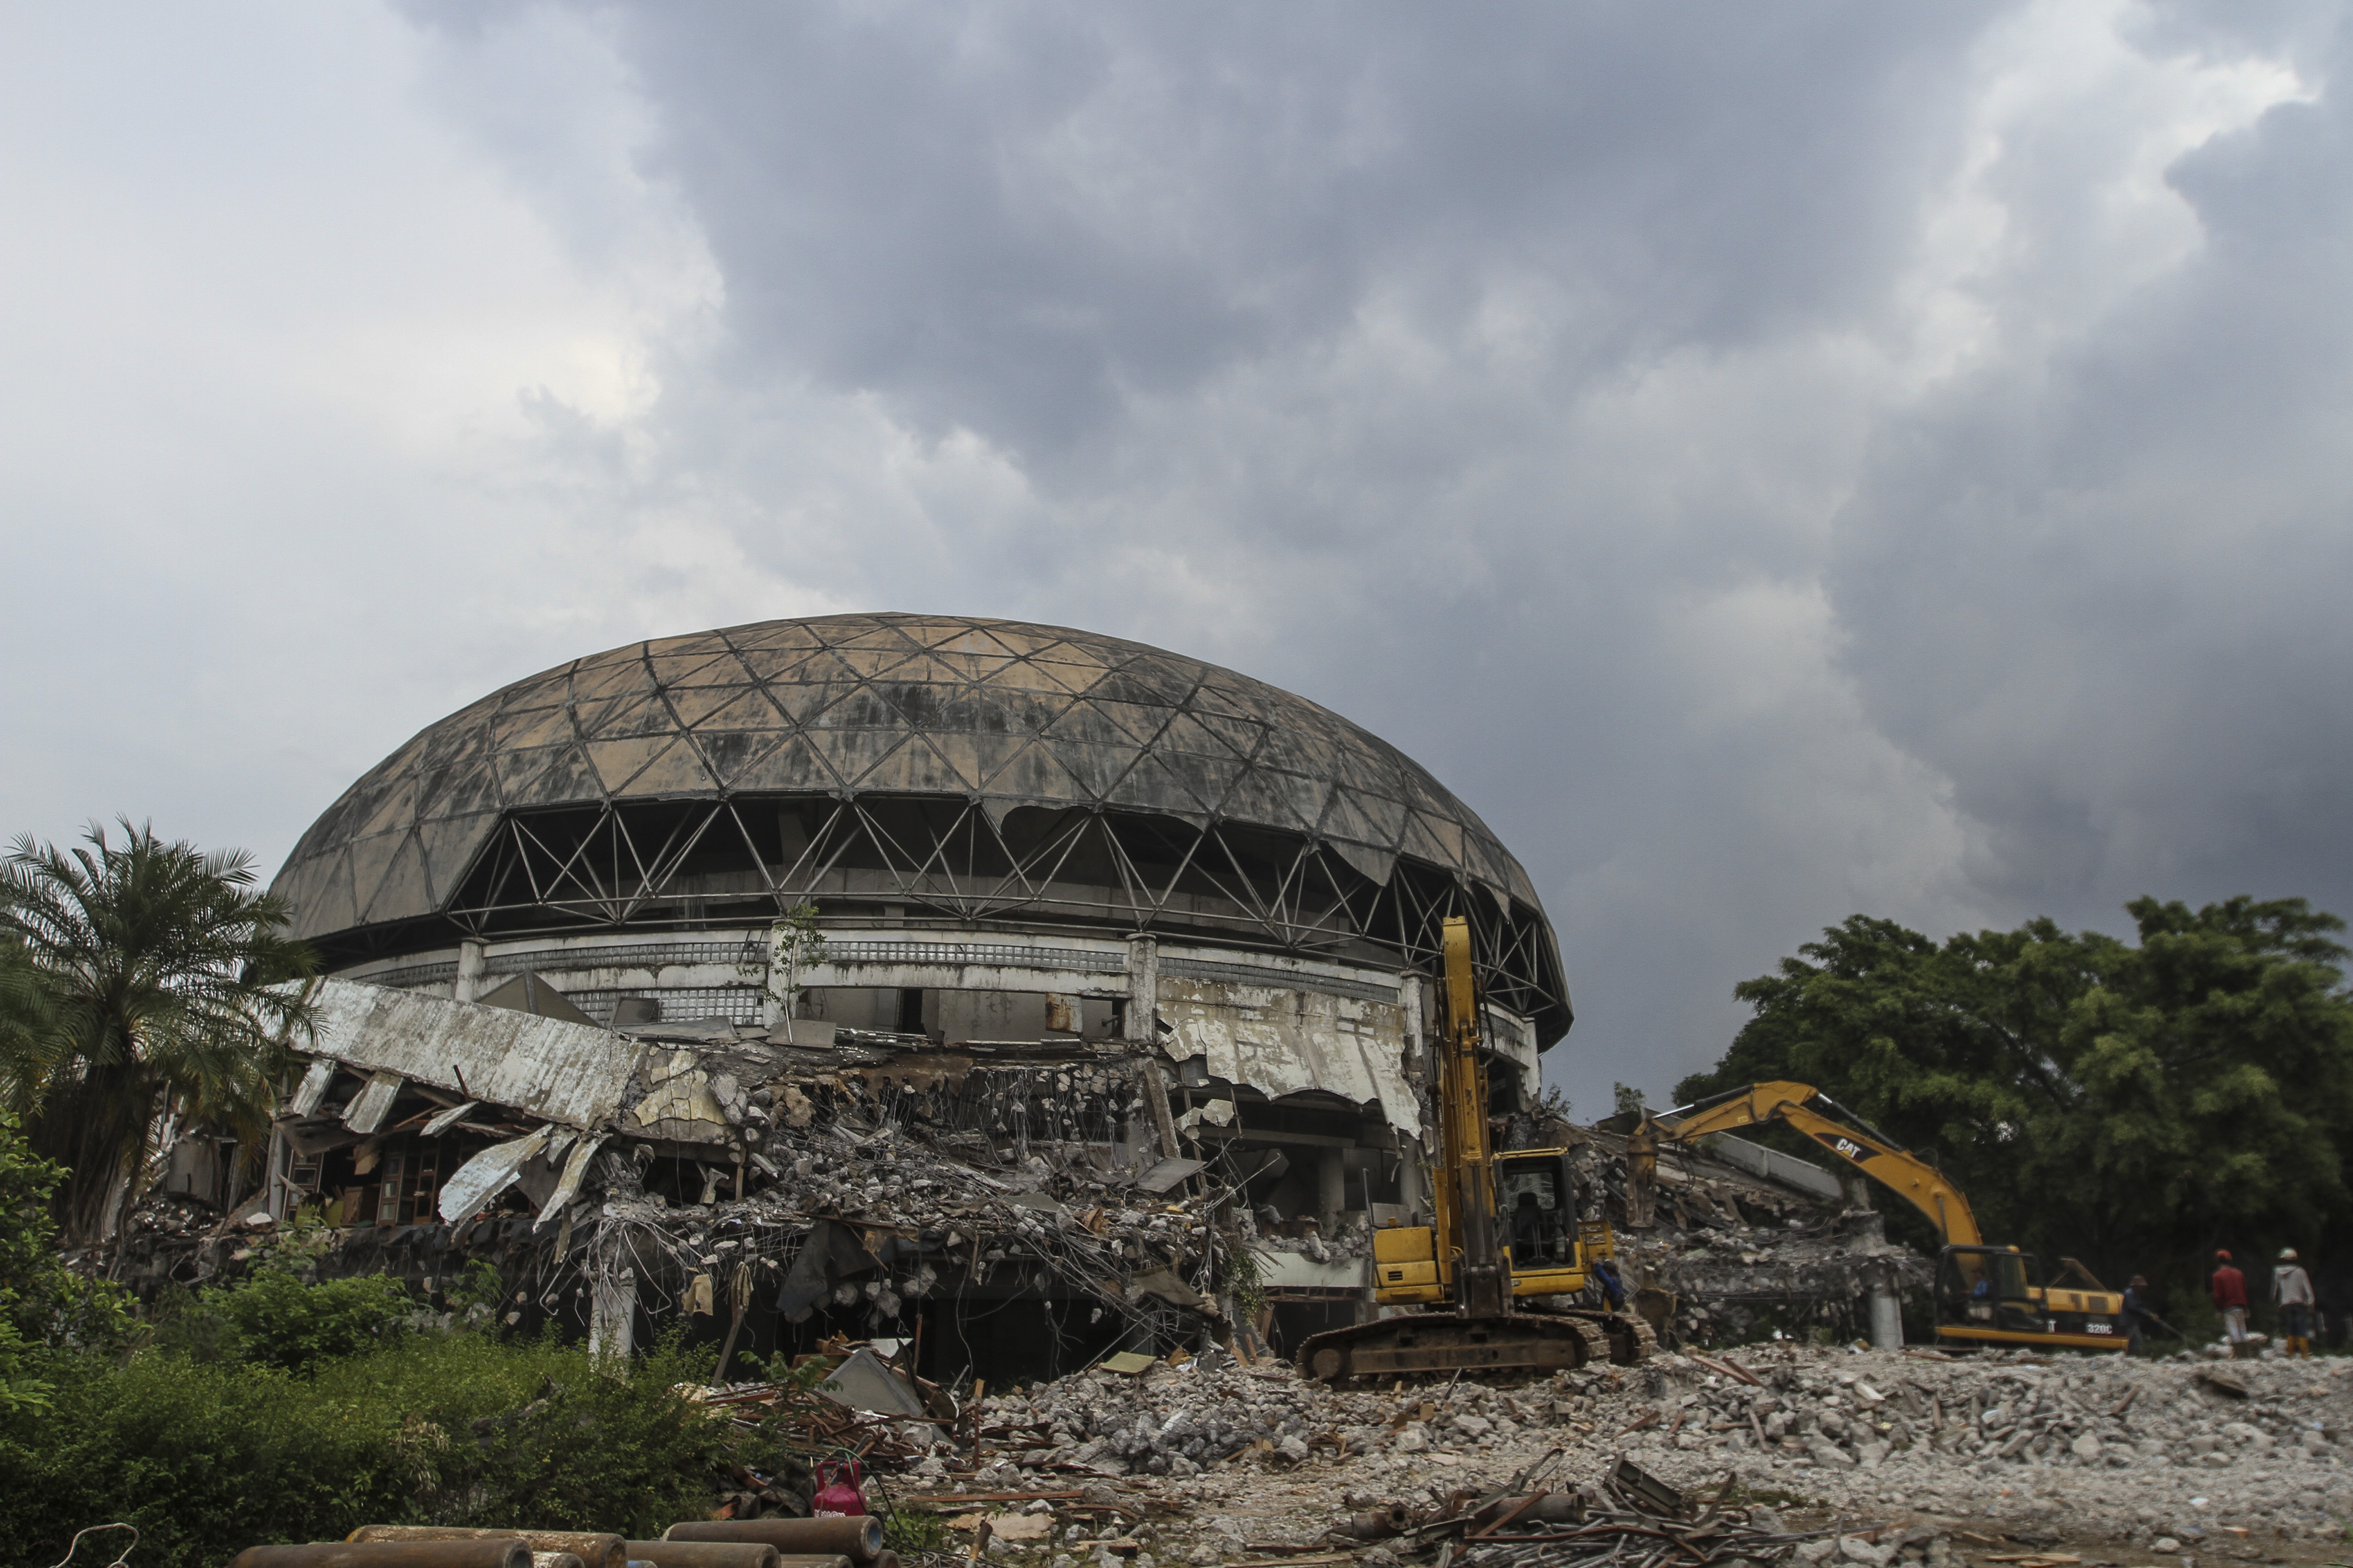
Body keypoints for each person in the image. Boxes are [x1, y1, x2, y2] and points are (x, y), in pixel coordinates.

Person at [2275, 1247, 2317, 1357]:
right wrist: (2311, 1303)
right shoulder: (2300, 1271)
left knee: (2291, 1329)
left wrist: (2279, 1303)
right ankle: (2304, 1355)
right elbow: (2308, 1288)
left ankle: (2291, 1354)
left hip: (2286, 1305)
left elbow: (2276, 1290)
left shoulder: (2278, 1272)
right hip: (2299, 1304)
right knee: (2302, 1328)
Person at [2213, 1250, 2250, 1356]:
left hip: (2228, 1307)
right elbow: (2244, 1291)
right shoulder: (2239, 1273)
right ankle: (2246, 1355)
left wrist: (2218, 1309)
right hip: (2241, 1306)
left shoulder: (2218, 1276)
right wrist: (2246, 1307)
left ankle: (2240, 1355)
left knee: (2233, 1331)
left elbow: (2218, 1295)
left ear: (2218, 1261)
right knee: (2243, 1330)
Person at [2123, 1274, 2151, 1357]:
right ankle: (2132, 1356)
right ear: (2137, 1286)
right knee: (2134, 1340)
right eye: (2141, 1286)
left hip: (2133, 1321)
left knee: (2135, 1340)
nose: (2143, 1288)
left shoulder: (2135, 1294)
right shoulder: (2129, 1293)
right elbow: (2133, 1307)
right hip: (2128, 1321)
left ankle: (2131, 1356)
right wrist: (2147, 1313)